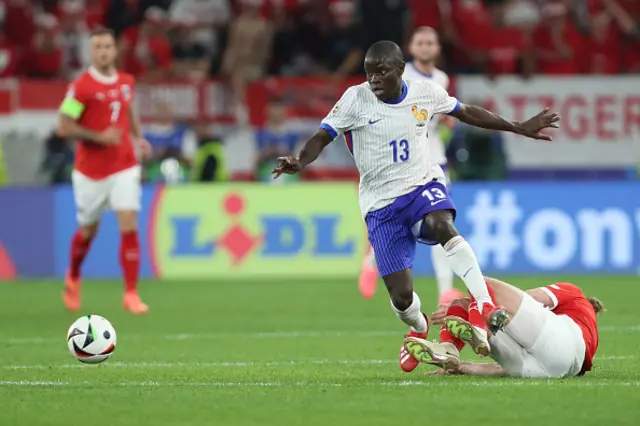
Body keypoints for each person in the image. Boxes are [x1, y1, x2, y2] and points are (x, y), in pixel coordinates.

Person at [272, 40, 560, 372]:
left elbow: (465, 111)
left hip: (422, 184)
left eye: (381, 72)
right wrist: (300, 161)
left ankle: (483, 305)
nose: (374, 80)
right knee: (402, 299)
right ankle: (419, 329)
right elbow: (322, 136)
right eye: (369, 73)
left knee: (442, 225)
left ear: (399, 70)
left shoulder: (426, 92)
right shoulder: (355, 99)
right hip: (380, 204)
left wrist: (516, 126)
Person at [358, 27, 463, 305]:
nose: (426, 47)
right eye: (421, 42)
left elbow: (440, 116)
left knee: (443, 222)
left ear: (437, 48)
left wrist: (446, 122)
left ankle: (445, 291)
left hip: (434, 159)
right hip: (402, 163)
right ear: (411, 48)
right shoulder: (400, 76)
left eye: (431, 42)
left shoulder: (441, 78)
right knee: (399, 225)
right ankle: (371, 261)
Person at [57, 27, 152, 315]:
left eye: (108, 46)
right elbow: (64, 126)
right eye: (98, 47)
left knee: (129, 222)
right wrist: (99, 137)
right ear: (90, 51)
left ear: (115, 50)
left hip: (123, 164)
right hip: (90, 171)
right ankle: (73, 276)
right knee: (88, 230)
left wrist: (138, 137)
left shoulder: (126, 82)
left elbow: (129, 111)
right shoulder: (81, 87)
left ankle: (131, 293)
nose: (103, 52)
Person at [404, 277, 601, 378]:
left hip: (555, 346)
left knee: (480, 284)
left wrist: (469, 304)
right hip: (546, 371)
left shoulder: (575, 294)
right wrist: (464, 368)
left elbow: (528, 298)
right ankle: (453, 351)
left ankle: (450, 345)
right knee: (472, 305)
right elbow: (501, 370)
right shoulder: (588, 331)